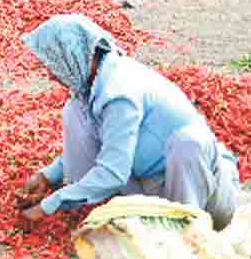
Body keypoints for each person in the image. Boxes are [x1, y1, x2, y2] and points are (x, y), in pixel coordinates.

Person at [16, 14, 239, 229]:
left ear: (72, 56)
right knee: (73, 111)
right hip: (154, 186)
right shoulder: (93, 86)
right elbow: (102, 143)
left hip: (207, 196)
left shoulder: (119, 93)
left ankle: (185, 229)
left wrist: (48, 206)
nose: (50, 74)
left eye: (53, 63)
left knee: (189, 141)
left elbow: (113, 173)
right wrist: (48, 176)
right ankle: (152, 219)